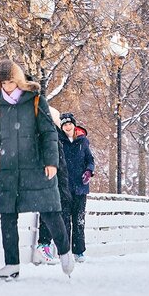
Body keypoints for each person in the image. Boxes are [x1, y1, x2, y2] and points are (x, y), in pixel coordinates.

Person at [0, 59, 74, 280]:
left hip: (37, 167)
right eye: (3, 83)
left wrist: (52, 162)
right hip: (10, 170)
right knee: (7, 216)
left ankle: (65, 252)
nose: (8, 87)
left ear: (18, 80)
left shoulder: (36, 100)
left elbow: (50, 133)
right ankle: (12, 264)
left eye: (11, 81)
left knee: (51, 213)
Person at [54, 112, 95, 262]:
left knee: (79, 221)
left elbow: (90, 160)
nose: (67, 126)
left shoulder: (83, 142)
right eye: (64, 124)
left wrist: (89, 172)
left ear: (74, 125)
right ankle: (64, 252)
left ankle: (79, 252)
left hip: (80, 188)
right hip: (64, 188)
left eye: (70, 123)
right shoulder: (59, 142)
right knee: (64, 221)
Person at [34, 107, 73, 265]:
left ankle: (57, 248)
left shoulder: (57, 138)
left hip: (61, 183)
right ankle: (43, 246)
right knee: (49, 212)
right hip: (50, 182)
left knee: (61, 214)